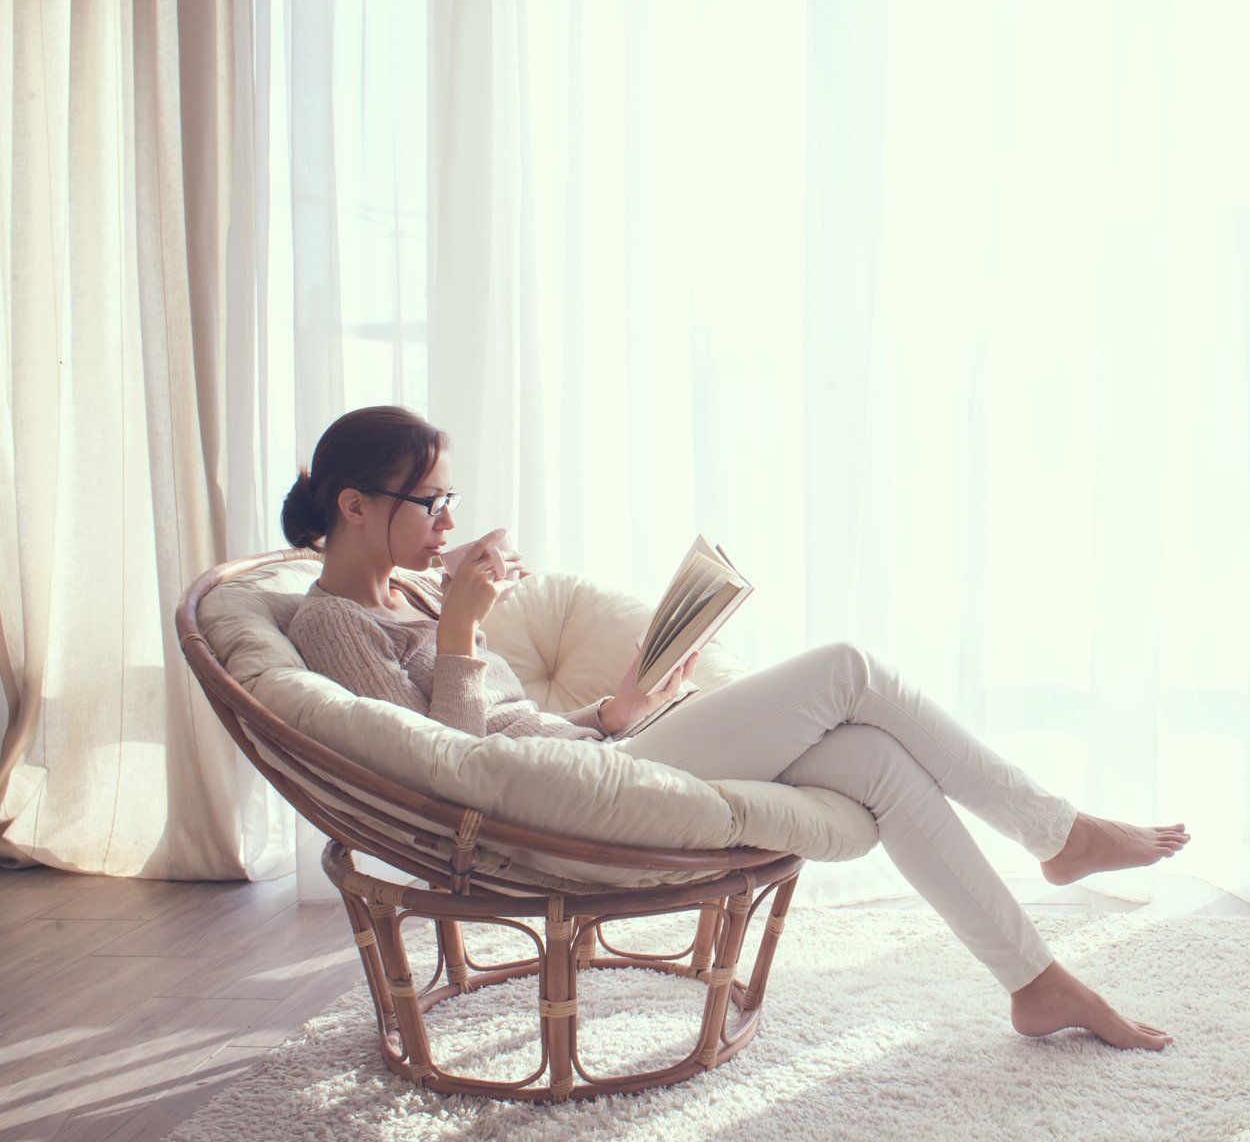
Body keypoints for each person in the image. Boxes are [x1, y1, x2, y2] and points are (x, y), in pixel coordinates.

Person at [281, 405, 1191, 1050]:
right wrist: (461, 629)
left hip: (592, 763)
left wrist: (618, 709)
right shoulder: (333, 623)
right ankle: (1057, 832)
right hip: (556, 815)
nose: (447, 520)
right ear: (355, 507)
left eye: (449, 497)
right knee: (849, 670)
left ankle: (1035, 984)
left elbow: (509, 729)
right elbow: (445, 771)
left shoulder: (410, 593)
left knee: (872, 755)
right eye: (429, 502)